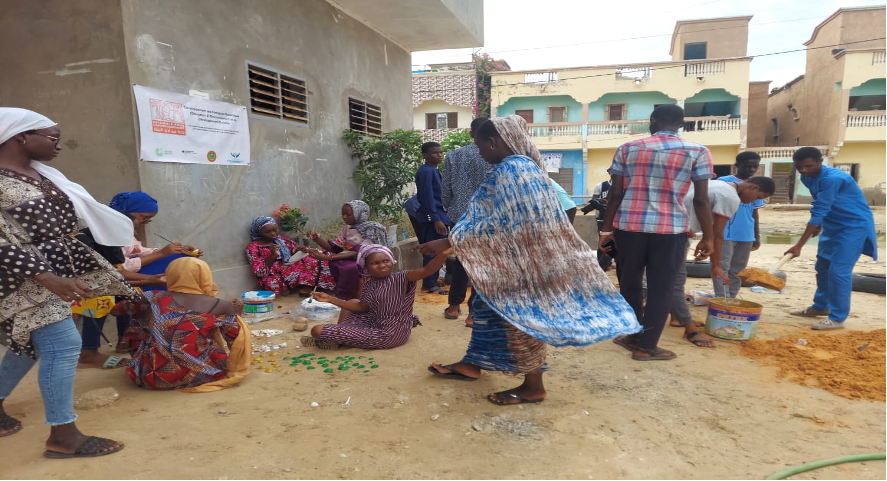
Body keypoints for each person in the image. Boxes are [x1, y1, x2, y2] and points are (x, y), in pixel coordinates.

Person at [420, 116, 639, 406]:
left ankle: (533, 386)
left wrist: (449, 242)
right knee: (488, 309)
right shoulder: (523, 168)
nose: (480, 151)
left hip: (519, 263)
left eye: (480, 145)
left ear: (494, 142)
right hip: (511, 259)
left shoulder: (514, 171)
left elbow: (506, 223)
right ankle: (474, 362)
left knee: (519, 318)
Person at [0, 107, 132, 457]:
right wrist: (44, 275)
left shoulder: (42, 176)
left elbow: (63, 231)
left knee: (28, 342)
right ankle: (63, 436)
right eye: (52, 138)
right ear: (21, 136)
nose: (59, 145)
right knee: (62, 343)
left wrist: (79, 273)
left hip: (52, 273)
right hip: (15, 277)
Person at [601, 104, 715, 361]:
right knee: (660, 289)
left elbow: (615, 193)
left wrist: (606, 230)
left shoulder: (627, 149)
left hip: (629, 227)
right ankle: (646, 346)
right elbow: (701, 200)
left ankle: (632, 336)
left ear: (652, 121)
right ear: (681, 124)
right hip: (670, 229)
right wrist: (709, 237)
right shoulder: (698, 151)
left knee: (629, 284)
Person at [670, 177, 776, 347]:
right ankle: (690, 329)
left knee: (676, 278)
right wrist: (717, 266)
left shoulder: (718, 185)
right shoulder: (730, 197)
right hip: (674, 233)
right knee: (676, 280)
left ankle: (677, 317)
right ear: (752, 187)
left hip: (679, 231)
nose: (753, 201)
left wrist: (706, 241)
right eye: (757, 197)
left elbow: (709, 229)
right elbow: (719, 234)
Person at [122, 257, 251, 390]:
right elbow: (235, 340)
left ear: (170, 275)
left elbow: (117, 310)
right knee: (205, 336)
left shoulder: (150, 297)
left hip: (151, 378)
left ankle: (145, 358)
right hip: (205, 374)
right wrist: (235, 314)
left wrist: (146, 290)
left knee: (138, 318)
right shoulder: (221, 305)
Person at [785, 147, 878, 330]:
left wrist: (799, 245)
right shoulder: (807, 177)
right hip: (832, 226)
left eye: (808, 166)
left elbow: (820, 209)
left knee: (839, 272)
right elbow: (820, 204)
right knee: (823, 267)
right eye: (799, 167)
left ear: (821, 161)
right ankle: (821, 307)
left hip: (854, 226)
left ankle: (837, 317)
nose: (803, 170)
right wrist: (818, 224)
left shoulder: (834, 179)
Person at [301, 245, 448, 350]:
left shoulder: (403, 277)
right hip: (374, 321)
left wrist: (446, 251)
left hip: (389, 333)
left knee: (317, 331)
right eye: (375, 263)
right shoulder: (370, 283)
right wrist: (330, 299)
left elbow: (428, 270)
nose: (382, 265)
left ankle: (338, 338)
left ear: (392, 261)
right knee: (352, 301)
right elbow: (361, 307)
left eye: (386, 261)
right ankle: (340, 335)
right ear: (366, 267)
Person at [75, 229, 167, 370]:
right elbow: (109, 282)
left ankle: (124, 339)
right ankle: (88, 352)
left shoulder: (103, 244)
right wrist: (147, 281)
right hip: (86, 290)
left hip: (99, 282)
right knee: (100, 303)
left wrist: (151, 279)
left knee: (129, 295)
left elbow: (118, 273)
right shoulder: (89, 252)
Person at [441, 117, 492, 325]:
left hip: (460, 217)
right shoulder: (495, 155)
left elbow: (445, 190)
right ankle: (473, 313)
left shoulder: (454, 155)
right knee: (483, 266)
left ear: (471, 133)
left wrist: (450, 209)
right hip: (487, 218)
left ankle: (454, 306)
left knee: (461, 262)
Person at [306, 200, 390, 303]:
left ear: (359, 214)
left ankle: (350, 298)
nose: (345, 217)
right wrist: (316, 238)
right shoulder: (348, 228)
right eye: (343, 214)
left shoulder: (371, 228)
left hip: (367, 260)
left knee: (349, 268)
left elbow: (361, 251)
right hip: (352, 257)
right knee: (329, 262)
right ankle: (342, 295)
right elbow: (336, 247)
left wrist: (330, 258)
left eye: (348, 214)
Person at [110, 191, 200, 280]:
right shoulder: (109, 233)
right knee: (179, 266)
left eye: (148, 220)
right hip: (120, 278)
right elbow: (122, 268)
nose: (143, 223)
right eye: (144, 218)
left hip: (128, 273)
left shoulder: (124, 231)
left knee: (183, 259)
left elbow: (138, 251)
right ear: (126, 211)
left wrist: (174, 250)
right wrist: (161, 254)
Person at [711, 152, 765, 298]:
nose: (752, 170)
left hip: (746, 234)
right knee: (722, 267)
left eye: (755, 166)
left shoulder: (757, 186)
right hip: (725, 234)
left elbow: (755, 213)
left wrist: (756, 236)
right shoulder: (724, 182)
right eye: (748, 166)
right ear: (737, 166)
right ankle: (721, 298)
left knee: (738, 270)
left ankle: (732, 298)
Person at [246, 217, 335, 296]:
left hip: (288, 269)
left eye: (275, 230)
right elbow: (259, 273)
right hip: (273, 280)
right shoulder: (253, 247)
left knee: (321, 254)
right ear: (259, 232)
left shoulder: (280, 239)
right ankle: (311, 286)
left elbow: (294, 249)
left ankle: (316, 285)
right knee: (310, 261)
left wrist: (300, 249)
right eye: (268, 232)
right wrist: (272, 256)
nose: (273, 234)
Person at [415, 142, 451, 295]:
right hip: (432, 216)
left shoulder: (434, 170)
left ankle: (433, 281)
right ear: (425, 155)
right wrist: (435, 219)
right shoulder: (426, 172)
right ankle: (429, 284)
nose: (439, 155)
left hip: (439, 214)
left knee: (438, 250)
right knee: (432, 250)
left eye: (441, 152)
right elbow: (427, 197)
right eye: (435, 153)